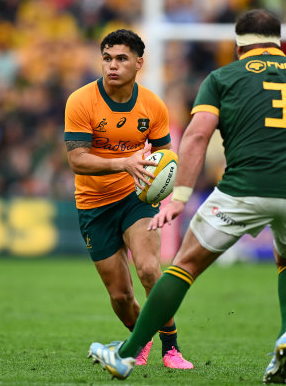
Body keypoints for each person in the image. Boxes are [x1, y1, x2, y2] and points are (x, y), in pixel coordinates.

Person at [87, 10, 286, 383]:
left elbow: (198, 136)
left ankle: (126, 354)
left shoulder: (223, 77)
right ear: (278, 42)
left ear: (237, 45)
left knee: (184, 266)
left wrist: (180, 197)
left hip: (243, 189)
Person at [63, 29, 193, 369]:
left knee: (150, 269)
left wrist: (163, 186)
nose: (112, 66)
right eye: (107, 58)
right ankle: (139, 339)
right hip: (93, 205)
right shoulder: (80, 101)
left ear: (139, 63)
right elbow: (77, 160)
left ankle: (171, 349)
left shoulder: (153, 105)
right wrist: (124, 161)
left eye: (121, 58)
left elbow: (166, 157)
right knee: (120, 296)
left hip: (136, 197)